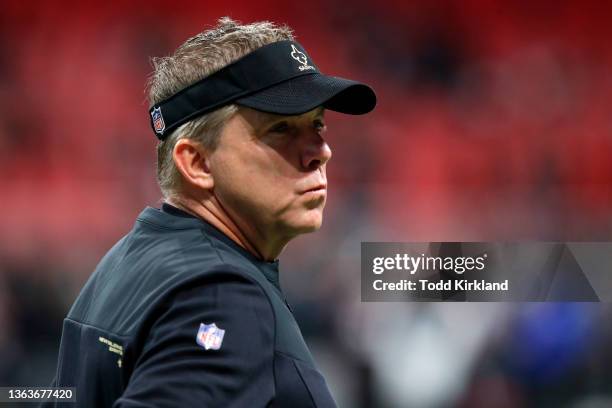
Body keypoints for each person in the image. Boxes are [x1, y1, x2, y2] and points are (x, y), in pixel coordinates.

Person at [45, 17, 376, 407]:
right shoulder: (222, 295)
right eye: (281, 129)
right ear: (198, 163)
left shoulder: (126, 262)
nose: (320, 151)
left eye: (317, 124)